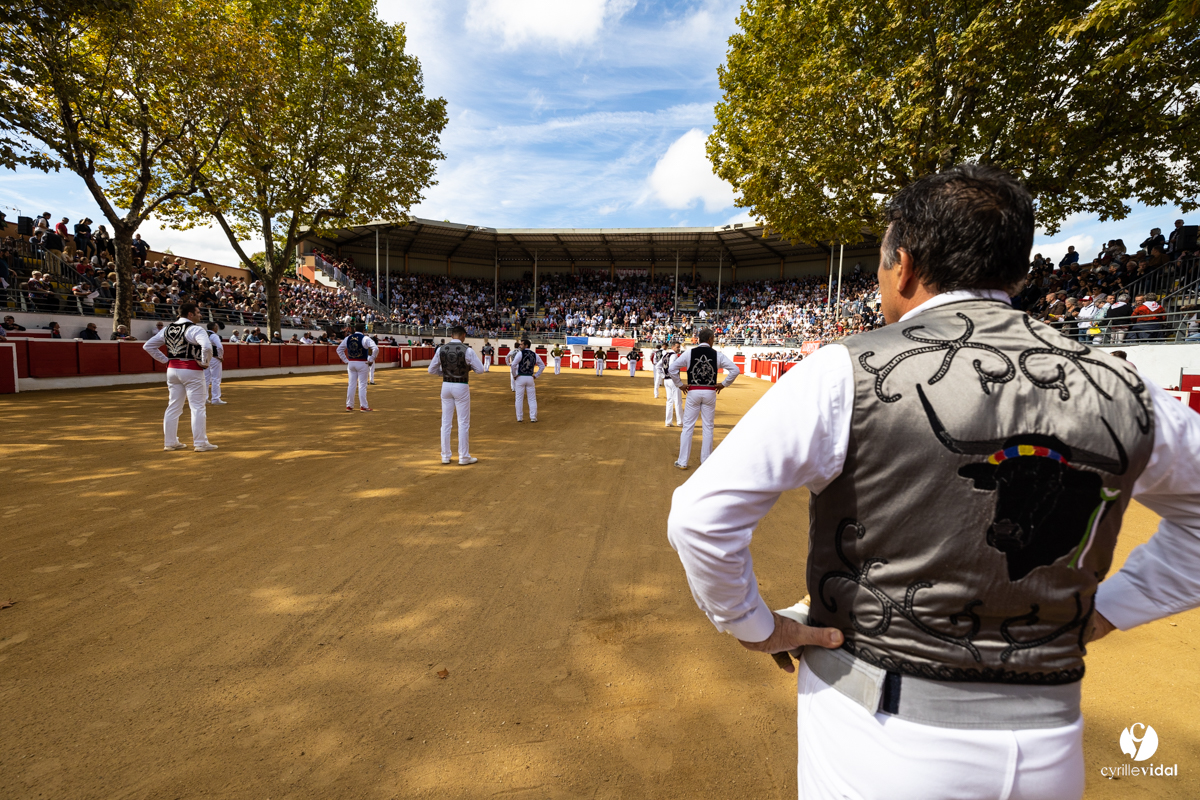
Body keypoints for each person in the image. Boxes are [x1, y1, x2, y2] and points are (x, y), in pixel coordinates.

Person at [668, 164, 1200, 800]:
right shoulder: (1124, 382)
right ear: (1019, 274)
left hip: (877, 732)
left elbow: (700, 519)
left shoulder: (845, 369)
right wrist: (1110, 608)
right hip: (1049, 740)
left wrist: (756, 626)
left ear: (906, 266)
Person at [142, 301, 217, 452]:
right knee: (197, 407)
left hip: (172, 370)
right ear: (190, 314)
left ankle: (170, 442)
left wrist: (165, 360)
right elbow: (207, 347)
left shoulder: (167, 329)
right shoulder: (195, 329)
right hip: (192, 370)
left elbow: (148, 346)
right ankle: (200, 443)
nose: (200, 315)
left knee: (173, 406)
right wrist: (205, 362)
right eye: (198, 312)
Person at [669, 328, 740, 469]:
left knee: (688, 427)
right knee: (708, 427)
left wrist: (680, 385)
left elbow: (672, 369)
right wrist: (724, 384)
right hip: (710, 392)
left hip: (693, 391)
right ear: (710, 339)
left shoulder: (689, 353)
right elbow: (735, 370)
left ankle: (683, 462)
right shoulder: (717, 355)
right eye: (713, 339)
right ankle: (706, 463)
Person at [428, 325, 487, 465]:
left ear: (451, 335)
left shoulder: (441, 349)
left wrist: (443, 373)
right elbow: (480, 370)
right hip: (461, 385)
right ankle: (463, 456)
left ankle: (445, 456)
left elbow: (431, 370)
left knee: (446, 422)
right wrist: (467, 369)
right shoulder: (468, 350)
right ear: (463, 336)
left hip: (446, 385)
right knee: (463, 422)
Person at [337, 322, 377, 412]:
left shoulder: (348, 338)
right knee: (362, 385)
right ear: (363, 330)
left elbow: (339, 349)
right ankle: (363, 406)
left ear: (354, 330)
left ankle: (349, 406)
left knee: (351, 385)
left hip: (351, 363)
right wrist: (371, 359)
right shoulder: (365, 338)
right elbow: (376, 348)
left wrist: (346, 360)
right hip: (362, 363)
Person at [510, 337, 546, 422]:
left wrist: (514, 375)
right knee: (532, 398)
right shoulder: (535, 354)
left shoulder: (520, 353)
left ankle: (519, 417)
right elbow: (542, 366)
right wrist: (536, 375)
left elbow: (513, 365)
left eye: (522, 344)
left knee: (519, 398)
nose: (520, 345)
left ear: (526, 345)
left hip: (520, 377)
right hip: (530, 377)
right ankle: (533, 417)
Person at [204, 322, 225, 405]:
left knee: (205, 379)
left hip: (205, 358)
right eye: (217, 326)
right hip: (214, 358)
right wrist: (220, 356)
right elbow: (219, 347)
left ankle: (204, 398)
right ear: (214, 328)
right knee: (216, 378)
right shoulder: (214, 336)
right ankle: (215, 398)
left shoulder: (204, 334)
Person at [661, 343, 682, 427]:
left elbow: (658, 366)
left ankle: (668, 421)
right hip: (673, 380)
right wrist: (677, 380)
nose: (679, 348)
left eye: (679, 347)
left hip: (666, 380)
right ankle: (680, 421)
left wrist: (663, 375)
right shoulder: (673, 356)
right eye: (677, 347)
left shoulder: (665, 355)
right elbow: (672, 368)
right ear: (672, 347)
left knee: (669, 401)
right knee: (677, 401)